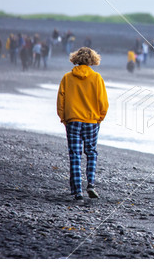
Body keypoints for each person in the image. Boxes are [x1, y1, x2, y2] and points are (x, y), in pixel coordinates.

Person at [57, 47, 109, 201]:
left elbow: (61, 101)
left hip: (73, 120)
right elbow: (103, 102)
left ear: (75, 58)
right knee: (91, 152)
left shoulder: (67, 78)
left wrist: (64, 118)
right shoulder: (97, 78)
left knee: (75, 155)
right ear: (93, 59)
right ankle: (91, 184)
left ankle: (78, 191)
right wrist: (100, 118)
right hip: (91, 121)